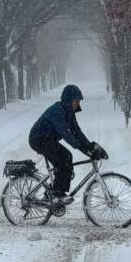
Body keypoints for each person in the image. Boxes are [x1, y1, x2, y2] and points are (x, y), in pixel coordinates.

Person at [28, 82, 107, 214]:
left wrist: (89, 146)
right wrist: (85, 150)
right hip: (38, 139)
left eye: (78, 101)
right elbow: (66, 134)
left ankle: (54, 195)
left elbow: (77, 131)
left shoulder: (69, 112)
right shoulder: (57, 111)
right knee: (63, 159)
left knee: (66, 158)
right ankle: (58, 195)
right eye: (76, 100)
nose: (77, 103)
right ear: (68, 99)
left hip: (49, 139)